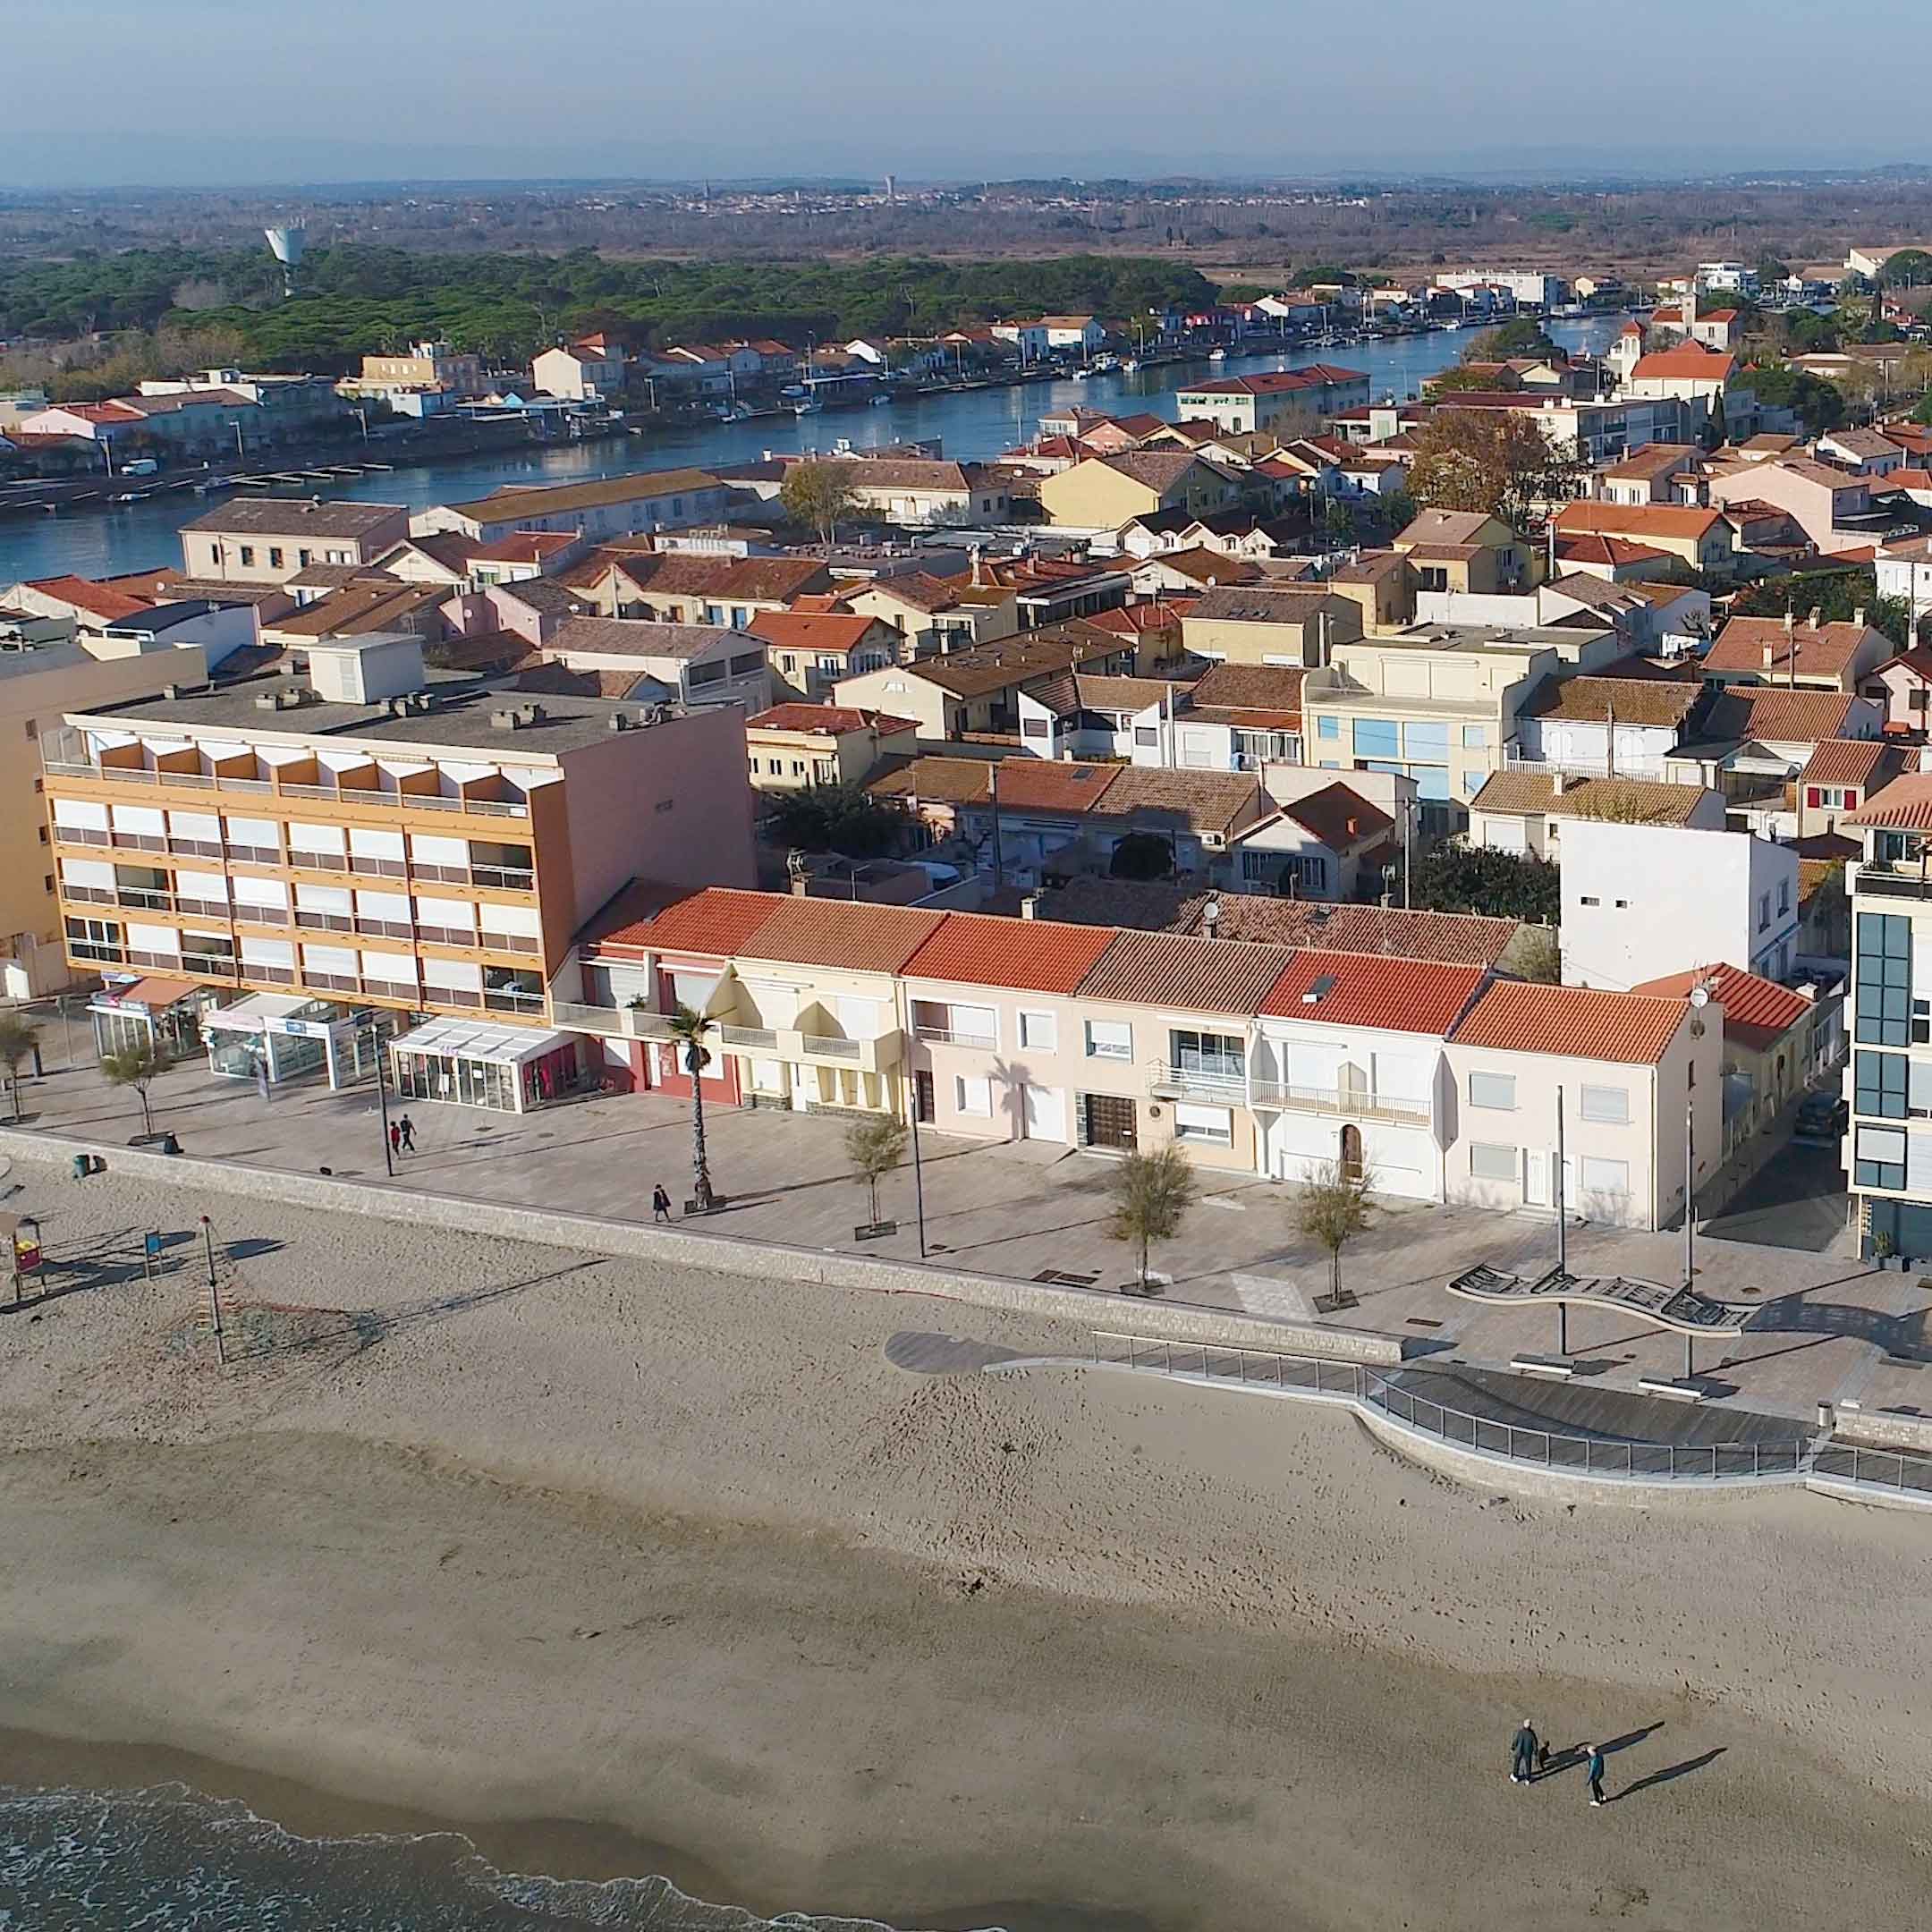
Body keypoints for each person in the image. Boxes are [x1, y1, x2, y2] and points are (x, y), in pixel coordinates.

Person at [1511, 1718, 1539, 1784]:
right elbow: (1535, 1744)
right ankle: (1528, 1779)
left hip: (1519, 1751)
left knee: (1517, 1764)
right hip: (1528, 1752)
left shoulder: (1520, 1732)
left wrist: (1513, 1747)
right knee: (1528, 1765)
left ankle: (1515, 1776)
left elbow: (1516, 1741)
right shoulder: (1532, 1734)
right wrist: (1535, 1752)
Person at [1585, 1743, 1606, 1807]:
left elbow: (1592, 1771)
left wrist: (1588, 1780)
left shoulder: (1593, 1760)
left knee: (1594, 1786)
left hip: (1595, 1775)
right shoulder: (1600, 1756)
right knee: (1597, 1784)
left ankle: (1597, 1800)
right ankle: (1603, 1796)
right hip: (1600, 1773)